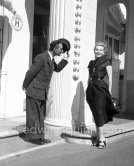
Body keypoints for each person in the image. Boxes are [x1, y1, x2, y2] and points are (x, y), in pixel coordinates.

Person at [22, 38, 71, 145]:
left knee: (40, 116)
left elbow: (57, 68)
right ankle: (34, 138)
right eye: (61, 49)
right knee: (33, 116)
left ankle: (40, 137)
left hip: (41, 92)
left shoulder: (51, 59)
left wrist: (65, 59)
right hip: (34, 90)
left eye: (63, 51)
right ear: (55, 47)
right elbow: (31, 72)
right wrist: (25, 85)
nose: (62, 52)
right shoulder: (42, 57)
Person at [86, 41, 119, 149]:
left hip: (100, 88)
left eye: (100, 50)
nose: (98, 51)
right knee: (96, 113)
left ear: (104, 51)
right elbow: (89, 78)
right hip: (91, 89)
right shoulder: (91, 63)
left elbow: (110, 77)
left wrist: (109, 91)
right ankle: (100, 137)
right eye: (97, 49)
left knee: (99, 112)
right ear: (94, 50)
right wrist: (87, 89)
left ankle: (101, 139)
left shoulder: (107, 61)